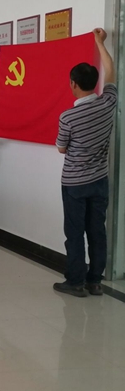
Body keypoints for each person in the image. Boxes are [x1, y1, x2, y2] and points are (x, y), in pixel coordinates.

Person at [54, 28, 117, 298]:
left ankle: (75, 281)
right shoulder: (109, 103)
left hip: (74, 184)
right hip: (100, 181)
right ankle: (95, 282)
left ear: (73, 84)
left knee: (75, 232)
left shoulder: (68, 117)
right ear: (95, 83)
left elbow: (61, 148)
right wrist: (99, 43)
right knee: (97, 231)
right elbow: (111, 70)